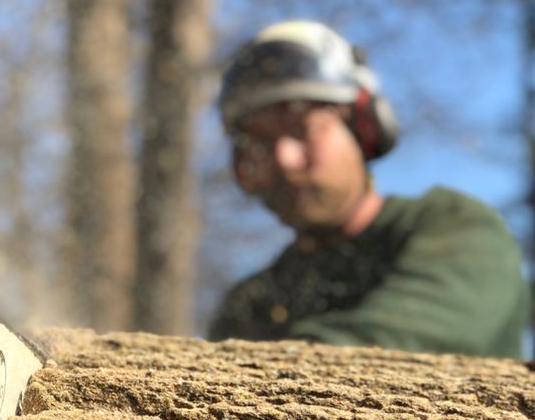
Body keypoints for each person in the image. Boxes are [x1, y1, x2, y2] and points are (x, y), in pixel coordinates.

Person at [209, 20, 529, 358]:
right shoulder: (253, 302)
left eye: (304, 128)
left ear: (362, 128)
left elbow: (403, 346)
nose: (284, 159)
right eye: (261, 143)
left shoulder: (456, 228)